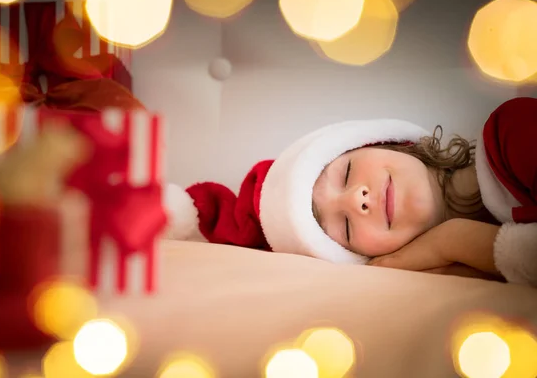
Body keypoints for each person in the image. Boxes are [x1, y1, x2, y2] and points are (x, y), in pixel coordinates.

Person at [164, 97, 537, 288]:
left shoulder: (514, 131)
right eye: (343, 228)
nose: (356, 200)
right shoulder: (451, 277)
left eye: (345, 173)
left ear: (387, 143)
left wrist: (455, 241)